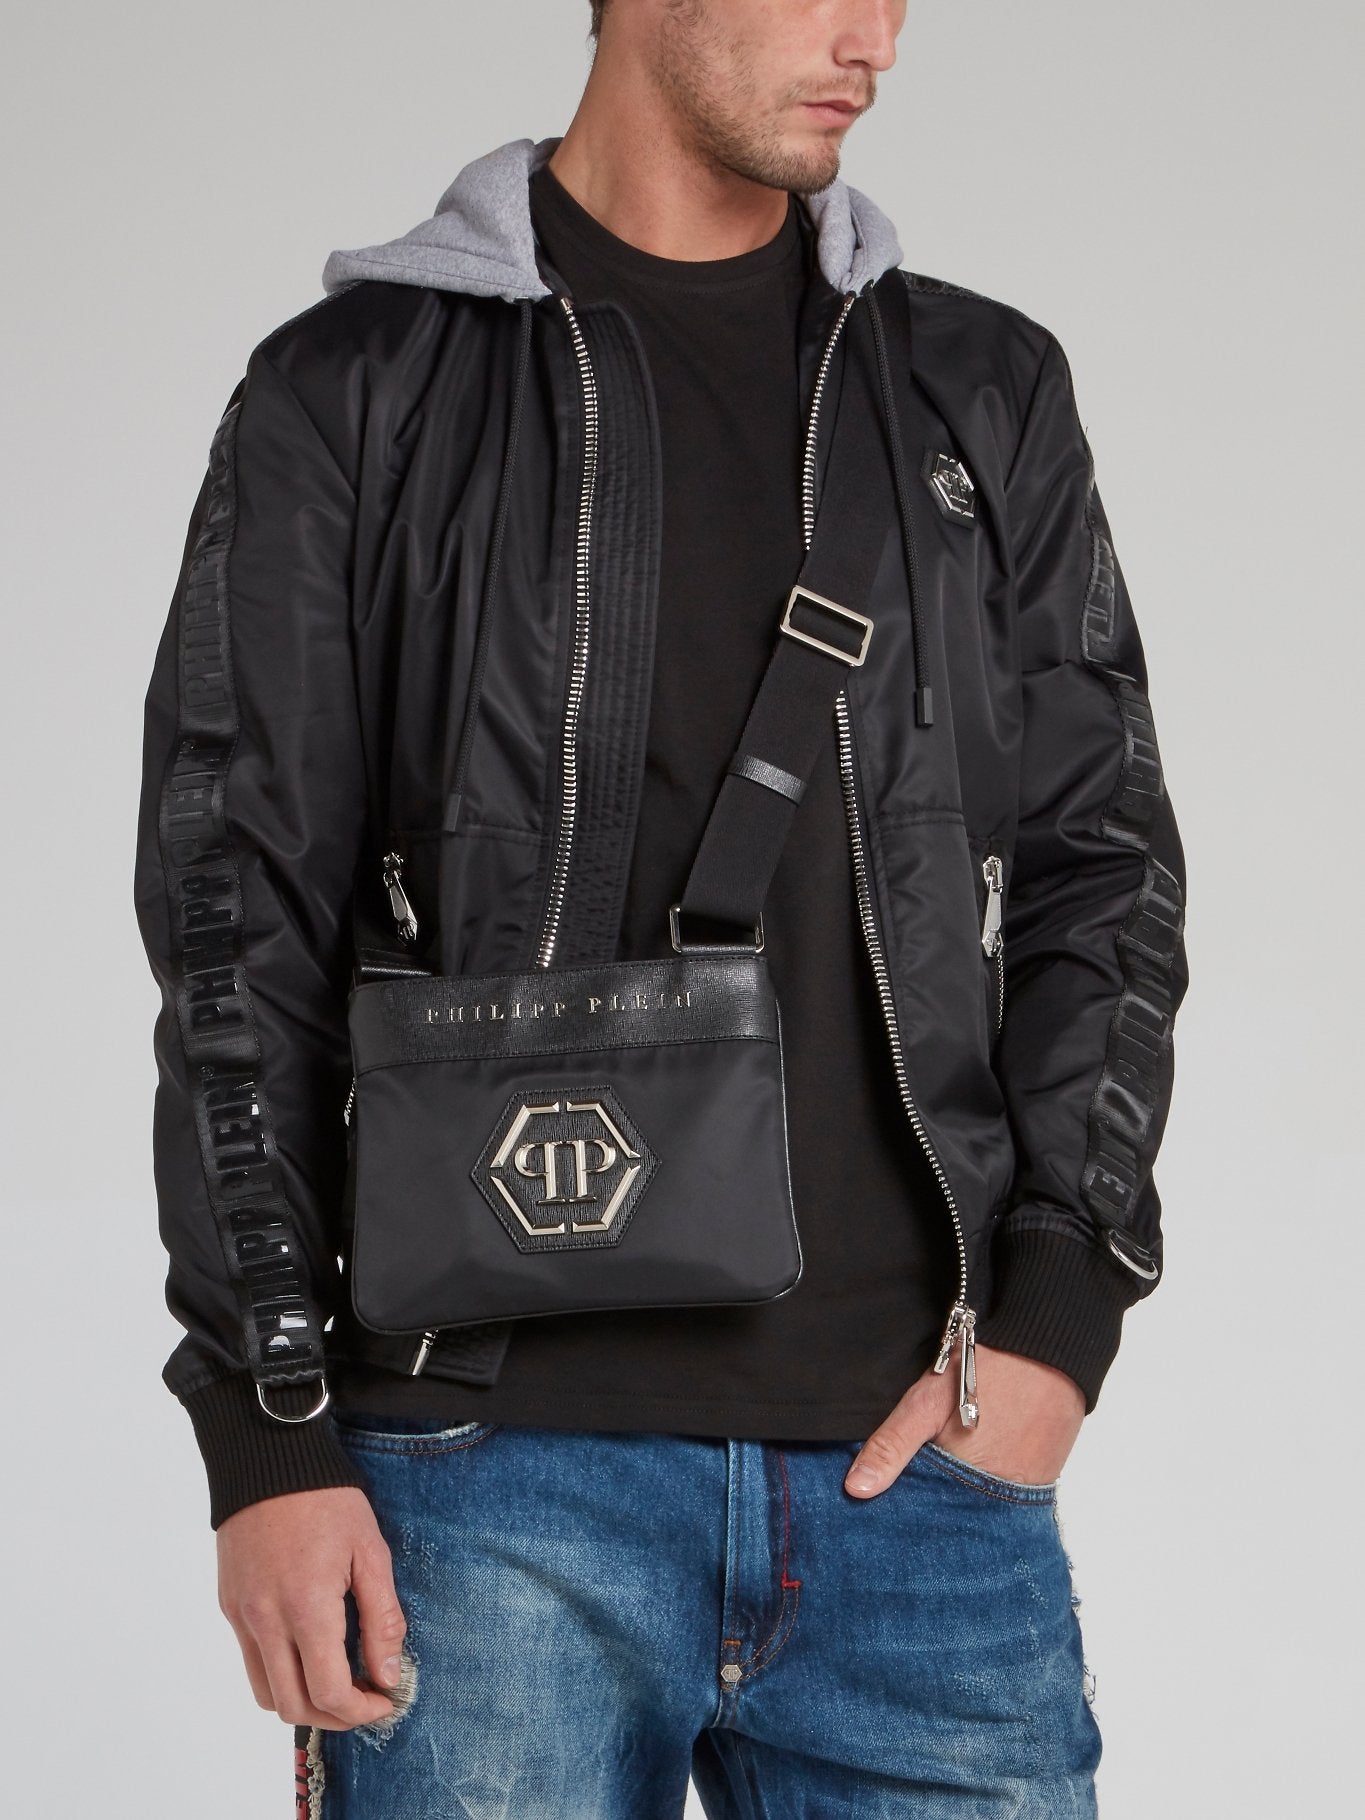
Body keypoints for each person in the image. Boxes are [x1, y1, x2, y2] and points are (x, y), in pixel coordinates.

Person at [133, 2, 1189, 1814]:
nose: (871, 36)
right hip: (479, 1484)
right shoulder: (355, 389)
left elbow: (1106, 864)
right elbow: (238, 925)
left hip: (918, 1488)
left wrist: (1052, 1325)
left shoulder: (976, 386)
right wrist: (270, 1427)